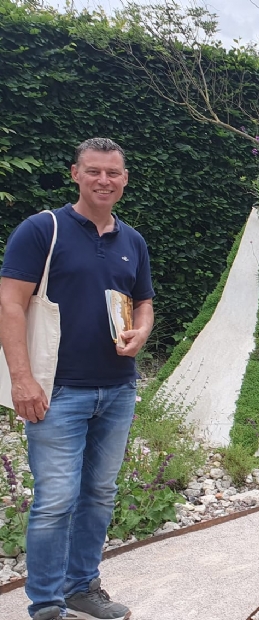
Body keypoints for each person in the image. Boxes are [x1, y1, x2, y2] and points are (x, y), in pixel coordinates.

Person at [0, 138, 154, 620]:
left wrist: (143, 332)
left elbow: (143, 300)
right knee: (55, 500)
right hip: (57, 390)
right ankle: (46, 603)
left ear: (124, 178)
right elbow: (10, 303)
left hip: (118, 388)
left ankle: (81, 586)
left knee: (99, 495)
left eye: (113, 173)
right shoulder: (41, 229)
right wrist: (22, 380)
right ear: (75, 173)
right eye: (94, 171)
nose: (104, 180)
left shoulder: (133, 241)